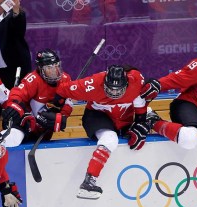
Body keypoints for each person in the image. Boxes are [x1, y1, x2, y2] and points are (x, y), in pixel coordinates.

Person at [56, 64, 151, 200]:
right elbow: (61, 90)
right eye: (110, 89)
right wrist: (59, 109)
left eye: (118, 90)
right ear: (104, 83)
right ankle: (89, 181)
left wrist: (141, 122)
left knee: (151, 115)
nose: (114, 93)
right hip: (97, 116)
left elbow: (140, 101)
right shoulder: (93, 84)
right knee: (110, 138)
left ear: (126, 84)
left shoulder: (136, 81)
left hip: (123, 119)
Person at [1, 49, 73, 147]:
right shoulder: (33, 79)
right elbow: (17, 93)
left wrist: (63, 117)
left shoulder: (66, 79)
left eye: (56, 66)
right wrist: (13, 105)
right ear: (40, 68)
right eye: (49, 67)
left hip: (44, 131)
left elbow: (68, 101)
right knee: (13, 139)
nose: (54, 71)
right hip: (26, 124)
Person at [0, 0, 32, 90]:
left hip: (12, 70)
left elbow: (18, 20)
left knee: (14, 100)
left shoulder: (12, 17)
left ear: (4, 2)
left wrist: (15, 8)